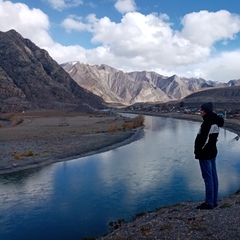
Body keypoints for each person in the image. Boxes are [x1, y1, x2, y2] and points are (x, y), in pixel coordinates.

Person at [194, 102, 224, 210]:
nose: (200, 111)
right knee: (213, 177)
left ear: (206, 111)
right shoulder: (215, 121)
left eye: (201, 110)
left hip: (205, 154)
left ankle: (209, 203)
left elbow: (203, 140)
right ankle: (214, 201)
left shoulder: (207, 123)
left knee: (208, 178)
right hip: (212, 152)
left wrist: (198, 151)